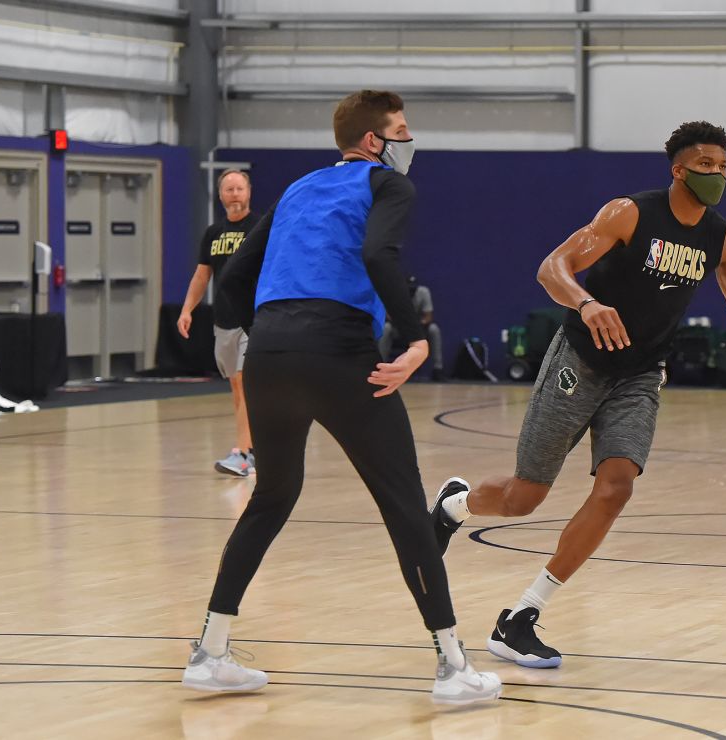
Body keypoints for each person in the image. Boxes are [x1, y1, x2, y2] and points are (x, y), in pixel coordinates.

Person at [429, 121, 726, 668]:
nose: (717, 174)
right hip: (581, 358)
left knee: (617, 486)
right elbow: (554, 267)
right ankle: (455, 505)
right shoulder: (630, 213)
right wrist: (586, 303)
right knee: (525, 497)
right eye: (707, 164)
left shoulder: (722, 237)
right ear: (679, 169)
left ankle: (520, 616)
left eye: (724, 166)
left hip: (640, 373)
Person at [181, 89, 501, 705]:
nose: (410, 140)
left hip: (270, 353)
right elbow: (380, 253)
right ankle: (453, 667)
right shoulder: (388, 185)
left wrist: (273, 334)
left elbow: (233, 286)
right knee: (406, 505)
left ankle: (210, 652)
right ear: (375, 142)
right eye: (402, 129)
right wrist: (414, 339)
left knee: (271, 496)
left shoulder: (297, 188)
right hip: (339, 350)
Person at [177, 170, 261, 476]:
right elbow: (202, 275)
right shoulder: (213, 233)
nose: (235, 193)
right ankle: (255, 448)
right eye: (229, 188)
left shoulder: (260, 227)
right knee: (238, 391)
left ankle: (244, 453)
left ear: (249, 192)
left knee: (244, 382)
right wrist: (187, 309)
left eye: (240, 188)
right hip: (223, 320)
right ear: (221, 194)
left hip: (252, 320)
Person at [379, 275, 444, 380]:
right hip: (398, 328)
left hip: (417, 328)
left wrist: (414, 324)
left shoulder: (423, 292)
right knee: (386, 328)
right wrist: (402, 323)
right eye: (409, 289)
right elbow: (387, 315)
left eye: (413, 289)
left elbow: (428, 317)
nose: (411, 291)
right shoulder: (393, 292)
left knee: (434, 329)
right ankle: (380, 366)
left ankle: (438, 369)